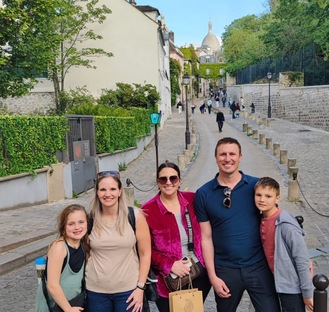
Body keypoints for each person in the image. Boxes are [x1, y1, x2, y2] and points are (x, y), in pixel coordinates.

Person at [194, 137, 280, 312]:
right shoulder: (203, 194)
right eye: (223, 154)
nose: (228, 158)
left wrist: (299, 256)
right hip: (225, 270)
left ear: (240, 156)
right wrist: (212, 276)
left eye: (232, 154)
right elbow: (206, 238)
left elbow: (276, 221)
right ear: (216, 157)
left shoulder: (256, 187)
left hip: (258, 266)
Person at [141, 161, 212, 312]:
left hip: (199, 273)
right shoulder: (148, 210)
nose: (168, 183)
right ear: (158, 183)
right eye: (163, 179)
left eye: (173, 178)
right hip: (168, 280)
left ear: (180, 181)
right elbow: (144, 250)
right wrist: (169, 264)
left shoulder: (192, 200)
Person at [86, 171, 151, 312]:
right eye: (102, 189)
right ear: (97, 192)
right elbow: (85, 251)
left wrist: (140, 287)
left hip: (128, 290)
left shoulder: (135, 216)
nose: (107, 194)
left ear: (120, 191)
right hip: (96, 291)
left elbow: (145, 254)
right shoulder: (89, 219)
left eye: (112, 189)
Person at [254, 177, 313, 312]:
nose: (262, 199)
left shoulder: (286, 225)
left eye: (268, 196)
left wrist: (307, 292)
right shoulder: (261, 219)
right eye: (259, 195)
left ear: (277, 198)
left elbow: (301, 259)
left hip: (291, 285)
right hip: (274, 280)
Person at [35, 204, 88, 312]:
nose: (77, 227)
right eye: (71, 224)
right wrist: (68, 309)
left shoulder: (82, 244)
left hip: (72, 303)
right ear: (63, 227)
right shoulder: (59, 247)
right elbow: (52, 285)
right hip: (55, 306)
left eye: (81, 222)